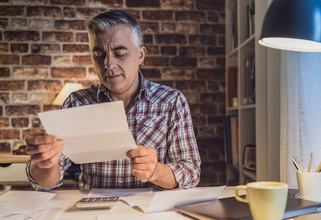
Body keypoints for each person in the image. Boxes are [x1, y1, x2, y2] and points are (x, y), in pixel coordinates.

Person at [25, 10, 201, 191]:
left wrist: (155, 171)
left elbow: (191, 172)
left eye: (120, 53)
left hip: (151, 213)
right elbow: (46, 182)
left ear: (140, 55)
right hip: (94, 210)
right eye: (99, 55)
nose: (109, 65)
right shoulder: (77, 102)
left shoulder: (171, 102)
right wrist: (46, 163)